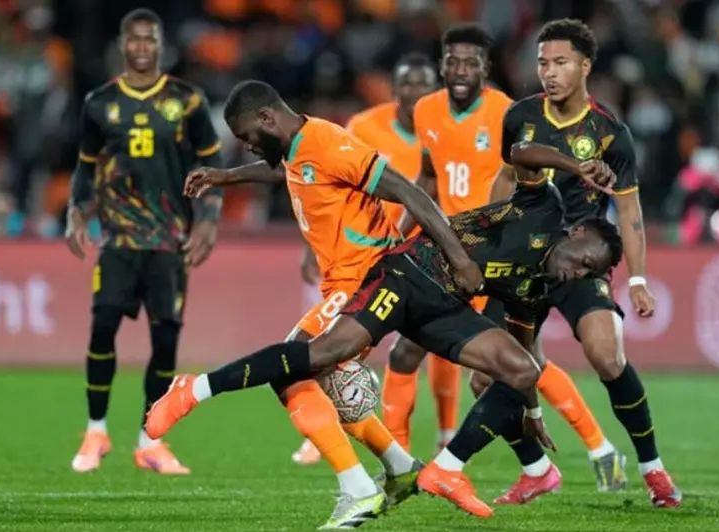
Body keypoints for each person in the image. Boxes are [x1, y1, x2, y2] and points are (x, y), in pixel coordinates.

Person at [147, 138, 619, 518]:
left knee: (522, 369)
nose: (579, 273)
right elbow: (520, 153)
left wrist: (530, 407)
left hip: (445, 307)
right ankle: (196, 389)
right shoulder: (546, 209)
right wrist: (575, 167)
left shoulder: (538, 286)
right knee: (322, 354)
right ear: (578, 233)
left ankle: (445, 469)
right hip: (411, 271)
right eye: (586, 261)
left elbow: (521, 347)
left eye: (589, 274)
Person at [148, 79, 480, 529]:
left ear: (267, 118)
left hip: (365, 279)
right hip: (347, 280)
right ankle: (400, 467)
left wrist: (459, 259)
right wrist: (226, 176)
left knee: (289, 368)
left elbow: (408, 191)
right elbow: (287, 171)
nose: (248, 146)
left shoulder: (327, 142)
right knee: (317, 379)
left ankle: (356, 487)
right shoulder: (298, 148)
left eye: (248, 137)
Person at [386, 22, 625, 495]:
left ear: (486, 68)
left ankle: (598, 448)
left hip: (501, 256)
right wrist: (400, 233)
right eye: (452, 61)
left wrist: (508, 225)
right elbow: (429, 177)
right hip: (452, 253)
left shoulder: (505, 111)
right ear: (442, 65)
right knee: (415, 353)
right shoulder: (427, 110)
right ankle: (403, 460)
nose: (460, 70)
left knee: (519, 363)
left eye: (470, 62)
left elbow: (518, 170)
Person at [487, 18, 681, 508]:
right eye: (542, 63)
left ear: (585, 66)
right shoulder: (519, 117)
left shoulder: (610, 133)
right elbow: (506, 180)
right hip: (523, 260)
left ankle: (653, 470)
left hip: (578, 259)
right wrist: (492, 238)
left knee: (607, 355)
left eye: (561, 63)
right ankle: (536, 470)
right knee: (486, 375)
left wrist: (637, 279)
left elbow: (630, 211)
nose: (549, 72)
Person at [66, 8, 223, 475]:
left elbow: (212, 166)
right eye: (133, 39)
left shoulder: (187, 101)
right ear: (122, 44)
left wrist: (208, 222)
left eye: (149, 39)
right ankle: (96, 431)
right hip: (118, 237)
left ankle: (149, 442)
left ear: (160, 44)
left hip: (169, 240)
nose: (141, 46)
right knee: (102, 325)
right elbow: (86, 167)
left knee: (165, 340)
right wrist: (76, 210)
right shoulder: (99, 103)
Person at [291, 52, 438, 466]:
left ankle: (441, 439)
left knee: (419, 348)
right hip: (366, 252)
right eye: (406, 83)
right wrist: (310, 247)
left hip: (422, 250)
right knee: (339, 345)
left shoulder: (443, 129)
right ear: (394, 89)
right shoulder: (364, 126)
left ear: (435, 91)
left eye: (423, 84)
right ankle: (336, 424)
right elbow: (321, 177)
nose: (414, 92)